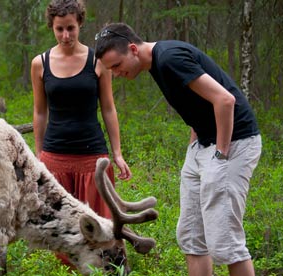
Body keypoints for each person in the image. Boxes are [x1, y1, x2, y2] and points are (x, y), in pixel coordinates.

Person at [94, 23, 261, 276]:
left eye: (117, 65)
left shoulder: (170, 58)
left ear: (132, 49)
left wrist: (220, 155)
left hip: (234, 143)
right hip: (203, 145)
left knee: (224, 240)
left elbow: (225, 100)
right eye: (111, 69)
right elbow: (198, 105)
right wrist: (194, 146)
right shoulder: (156, 65)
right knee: (191, 236)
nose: (116, 73)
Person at [30, 0, 131, 221]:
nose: (65, 35)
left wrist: (117, 153)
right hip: (55, 155)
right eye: (59, 29)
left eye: (70, 28)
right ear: (52, 27)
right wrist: (39, 155)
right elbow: (39, 112)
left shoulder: (98, 61)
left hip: (92, 155)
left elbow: (108, 108)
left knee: (100, 224)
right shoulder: (40, 63)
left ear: (80, 24)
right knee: (61, 227)